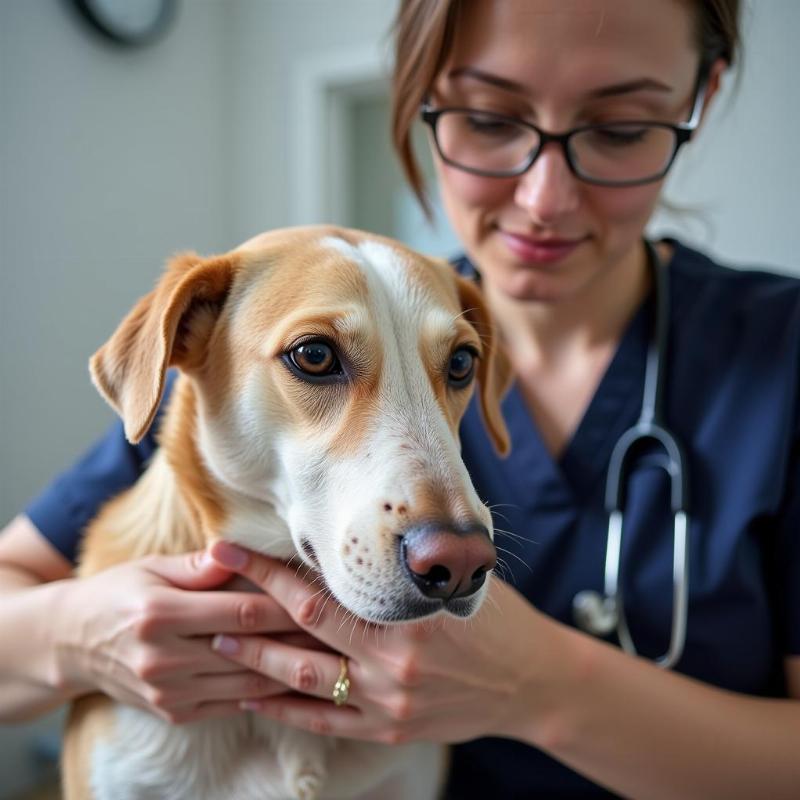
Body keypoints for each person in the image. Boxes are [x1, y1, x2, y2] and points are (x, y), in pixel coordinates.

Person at [1, 0, 799, 797]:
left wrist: (542, 687)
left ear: (702, 96)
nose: (545, 197)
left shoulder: (777, 352)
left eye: (621, 127)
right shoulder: (213, 392)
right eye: (490, 118)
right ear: (422, 98)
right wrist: (82, 635)